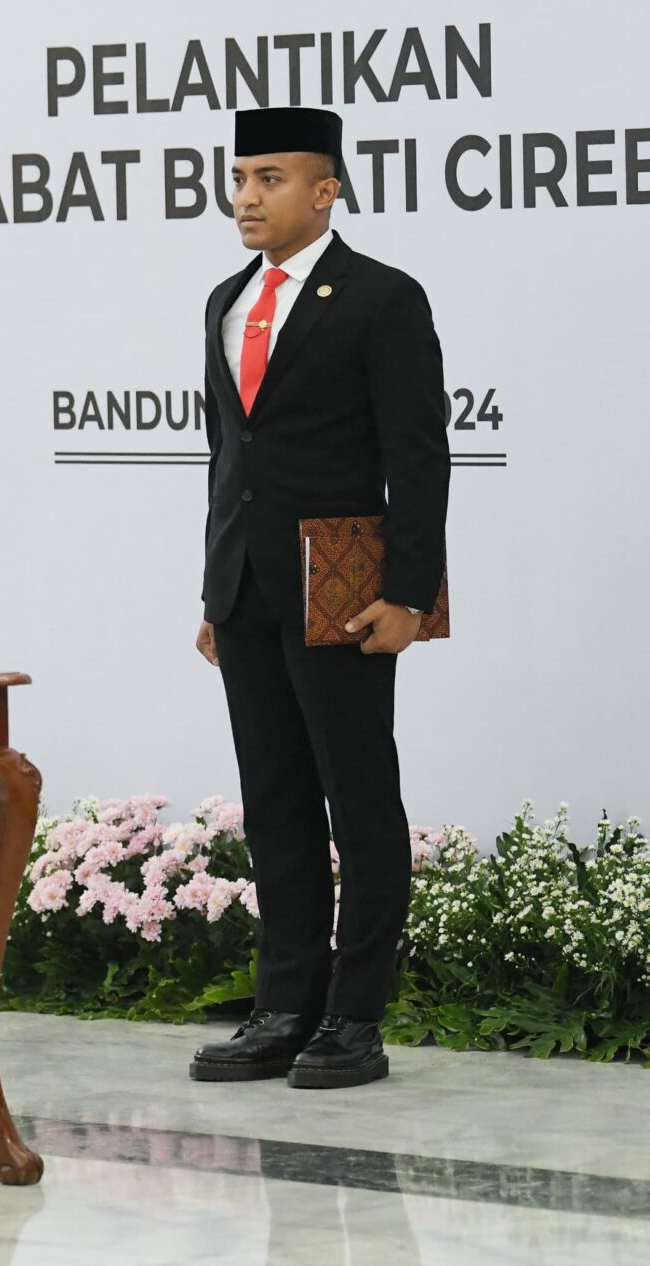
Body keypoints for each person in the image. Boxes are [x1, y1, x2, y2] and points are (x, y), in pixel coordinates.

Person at [190, 105, 449, 1091]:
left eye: (270, 178)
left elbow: (416, 456)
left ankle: (355, 1016)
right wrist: (217, 588)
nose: (247, 197)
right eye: (241, 178)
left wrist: (407, 593)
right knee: (275, 803)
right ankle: (285, 1006)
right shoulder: (223, 297)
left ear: (325, 188)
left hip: (341, 591)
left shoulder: (380, 298)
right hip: (250, 590)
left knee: (359, 798)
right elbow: (228, 457)